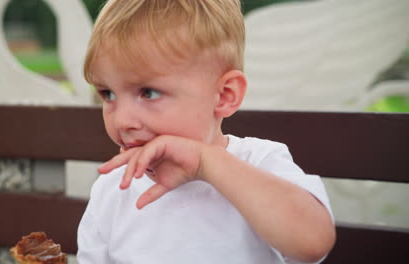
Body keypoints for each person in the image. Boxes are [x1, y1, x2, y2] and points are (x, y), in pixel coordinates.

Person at [77, 0, 336, 263]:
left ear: (224, 95)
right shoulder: (113, 189)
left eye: (148, 92)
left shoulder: (259, 162)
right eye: (108, 94)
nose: (122, 120)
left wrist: (206, 163)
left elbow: (312, 243)